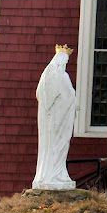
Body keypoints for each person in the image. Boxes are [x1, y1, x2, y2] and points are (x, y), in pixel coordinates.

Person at [32, 45, 76, 190]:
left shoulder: (54, 76)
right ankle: (53, 175)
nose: (64, 64)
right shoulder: (56, 75)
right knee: (55, 145)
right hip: (56, 121)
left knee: (58, 146)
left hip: (58, 120)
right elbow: (62, 97)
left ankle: (55, 174)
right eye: (64, 60)